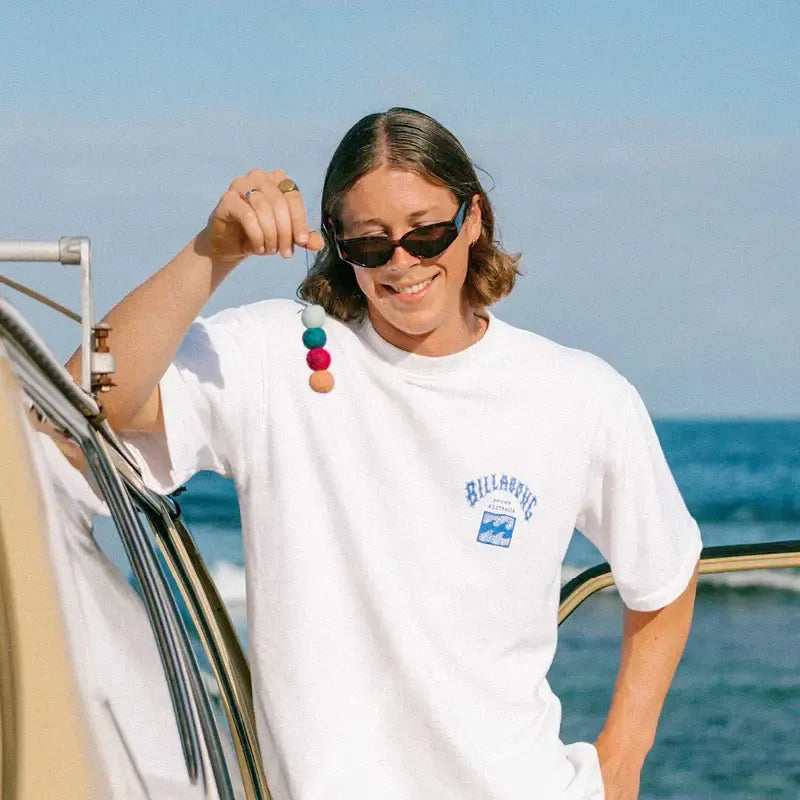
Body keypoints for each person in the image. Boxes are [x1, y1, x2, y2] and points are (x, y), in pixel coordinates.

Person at [68, 107, 702, 800]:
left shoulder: (579, 395)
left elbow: (665, 575)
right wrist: (212, 251)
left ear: (473, 219)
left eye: (426, 232)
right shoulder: (278, 358)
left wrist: (622, 762)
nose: (403, 262)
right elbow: (86, 398)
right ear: (337, 245)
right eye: (371, 243)